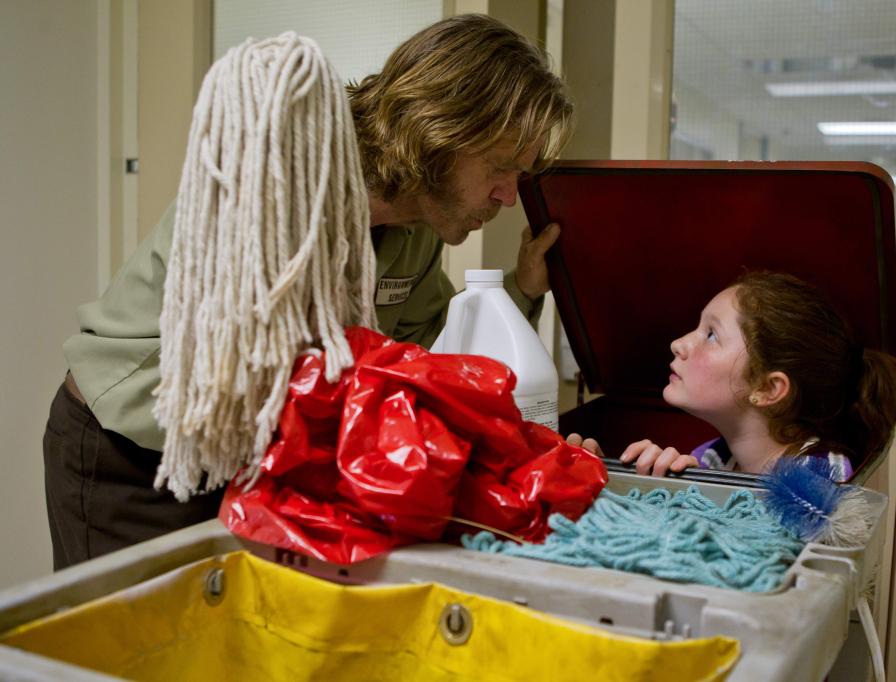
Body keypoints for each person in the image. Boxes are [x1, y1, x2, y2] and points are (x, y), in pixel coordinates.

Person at [44, 15, 574, 569]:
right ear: (441, 129)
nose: (508, 196)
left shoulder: (419, 225)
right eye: (500, 168)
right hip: (131, 453)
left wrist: (521, 290)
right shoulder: (288, 168)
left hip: (248, 464)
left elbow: (424, 355)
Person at [569, 272, 896, 482]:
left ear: (767, 388)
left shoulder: (819, 476)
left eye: (711, 335)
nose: (679, 343)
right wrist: (619, 484)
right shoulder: (711, 457)